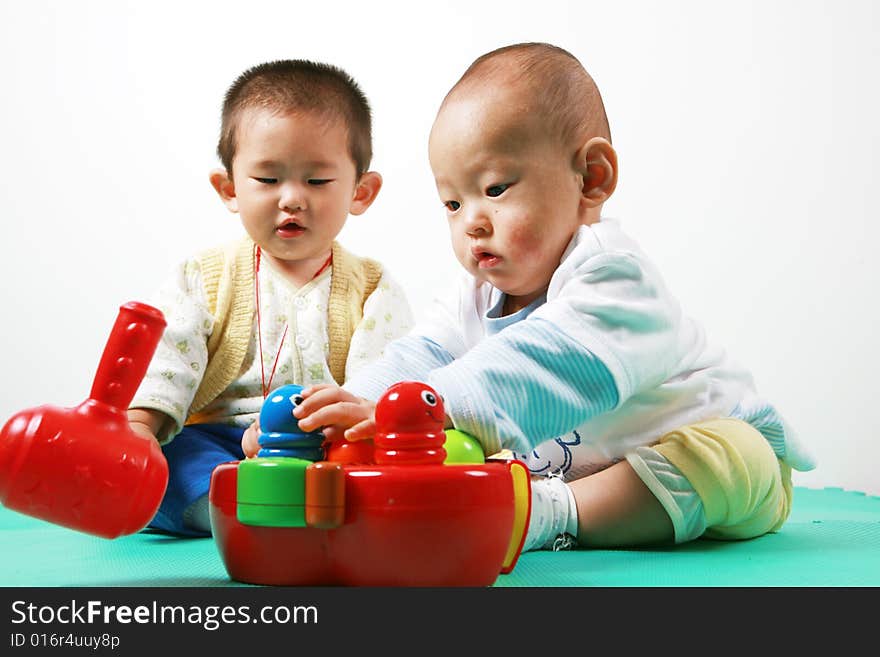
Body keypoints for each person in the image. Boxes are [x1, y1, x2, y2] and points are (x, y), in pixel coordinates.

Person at [243, 42, 816, 553]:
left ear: (590, 178)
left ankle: (546, 513)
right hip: (580, 469)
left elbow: (549, 361)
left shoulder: (613, 276)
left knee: (731, 457)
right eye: (452, 203)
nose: (472, 222)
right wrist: (340, 414)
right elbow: (415, 360)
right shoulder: (474, 294)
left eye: (495, 189)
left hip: (703, 461)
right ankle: (528, 500)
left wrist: (427, 410)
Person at [128, 59, 413, 536]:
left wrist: (339, 428)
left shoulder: (372, 288)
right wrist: (139, 429)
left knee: (383, 462)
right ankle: (232, 509)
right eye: (267, 179)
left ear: (361, 192)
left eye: (317, 181)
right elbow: (165, 365)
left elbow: (377, 388)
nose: (292, 198)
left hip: (324, 446)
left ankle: (290, 505)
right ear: (229, 188)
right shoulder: (203, 276)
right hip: (223, 444)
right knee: (172, 465)